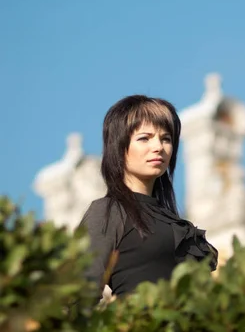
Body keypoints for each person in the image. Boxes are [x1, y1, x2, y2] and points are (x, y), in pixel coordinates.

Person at [79, 95, 218, 299]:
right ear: (119, 147)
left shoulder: (175, 222)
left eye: (166, 139)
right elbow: (78, 294)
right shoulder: (108, 211)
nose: (158, 147)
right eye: (144, 138)